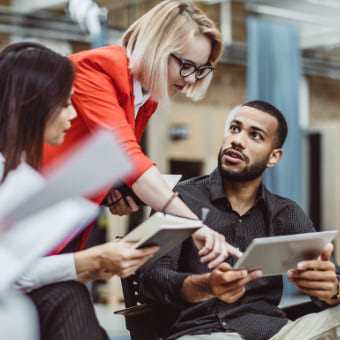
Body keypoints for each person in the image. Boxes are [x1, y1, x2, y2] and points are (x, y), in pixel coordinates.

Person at [43, 0, 239, 267]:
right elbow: (129, 158)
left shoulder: (146, 99)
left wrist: (114, 188)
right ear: (158, 47)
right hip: (25, 223)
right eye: (186, 65)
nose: (191, 79)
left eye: (200, 70)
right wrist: (194, 225)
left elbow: (109, 160)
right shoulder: (95, 70)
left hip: (62, 231)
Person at [139, 100, 340, 340]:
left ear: (273, 156)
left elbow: (326, 278)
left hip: (278, 334)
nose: (237, 140)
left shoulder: (286, 213)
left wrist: (333, 289)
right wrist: (205, 285)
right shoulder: (180, 200)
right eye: (234, 128)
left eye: (255, 136)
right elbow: (152, 278)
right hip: (203, 333)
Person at [0, 42, 158, 340]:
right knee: (67, 295)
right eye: (65, 104)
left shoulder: (23, 175)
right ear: (32, 104)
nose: (72, 116)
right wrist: (90, 261)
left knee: (66, 294)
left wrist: (90, 264)